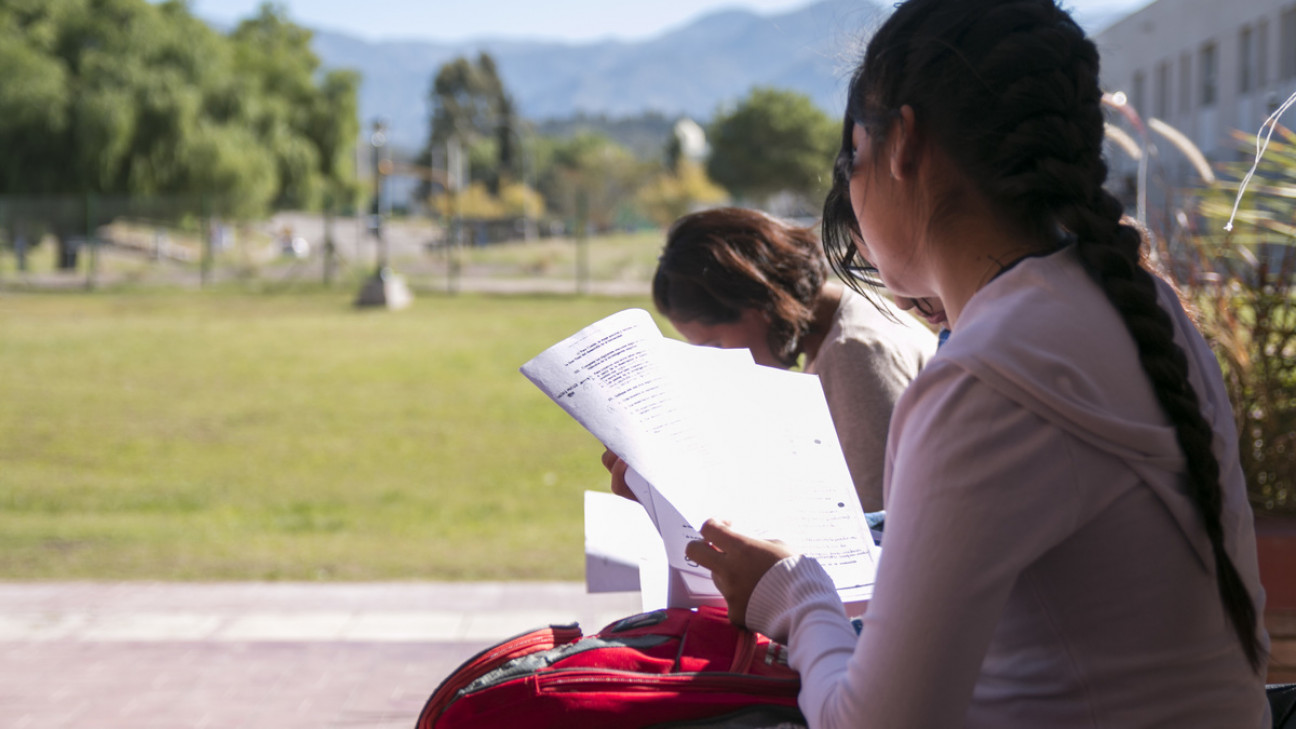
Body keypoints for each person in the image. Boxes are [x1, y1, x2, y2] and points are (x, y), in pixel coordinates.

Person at [684, 1, 1272, 726]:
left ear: (903, 142)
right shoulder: (1133, 303)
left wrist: (794, 592)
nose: (850, 192)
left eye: (851, 160)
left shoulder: (990, 375)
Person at [604, 206, 936, 513]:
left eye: (717, 344)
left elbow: (872, 520)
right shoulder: (833, 331)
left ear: (759, 304)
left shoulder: (854, 353)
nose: (720, 363)